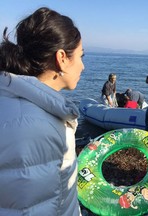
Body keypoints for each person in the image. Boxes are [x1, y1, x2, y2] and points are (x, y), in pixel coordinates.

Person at [0, 7, 84, 216]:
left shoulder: (14, 99)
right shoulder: (35, 126)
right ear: (62, 57)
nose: (83, 66)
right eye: (81, 56)